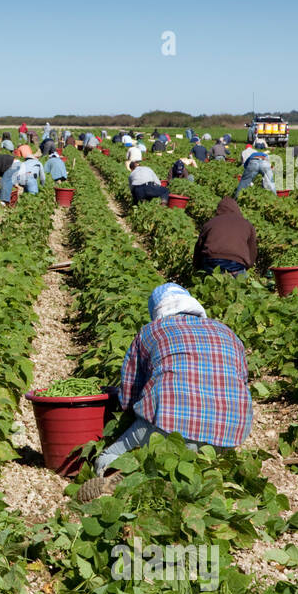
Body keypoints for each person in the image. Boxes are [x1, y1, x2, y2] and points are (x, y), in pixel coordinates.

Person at [77, 283, 252, 499]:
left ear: (157, 312)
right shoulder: (228, 333)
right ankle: (199, 473)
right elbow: (243, 380)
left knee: (109, 455)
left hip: (169, 416)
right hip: (229, 429)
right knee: (199, 464)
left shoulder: (150, 331)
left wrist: (126, 418)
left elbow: (129, 393)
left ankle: (122, 476)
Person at [194, 196, 257, 277]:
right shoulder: (247, 224)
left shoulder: (210, 223)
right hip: (237, 264)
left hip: (212, 261)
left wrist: (197, 266)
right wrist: (248, 265)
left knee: (212, 285)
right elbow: (252, 250)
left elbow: (199, 247)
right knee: (240, 286)